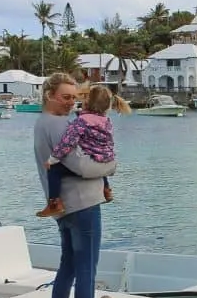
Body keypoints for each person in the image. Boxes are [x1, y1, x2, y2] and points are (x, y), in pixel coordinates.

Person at [34, 72, 119, 298]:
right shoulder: (59, 125)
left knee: (68, 267)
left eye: (74, 97)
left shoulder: (41, 123)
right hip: (82, 204)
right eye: (65, 97)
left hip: (62, 206)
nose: (71, 103)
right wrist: (111, 167)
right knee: (86, 270)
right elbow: (83, 166)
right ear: (49, 96)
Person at [37, 84, 131, 218]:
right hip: (109, 164)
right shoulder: (106, 121)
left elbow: (67, 142)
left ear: (87, 102)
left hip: (89, 166)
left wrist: (52, 159)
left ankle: (54, 203)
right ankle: (106, 190)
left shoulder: (81, 121)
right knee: (98, 156)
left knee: (54, 170)